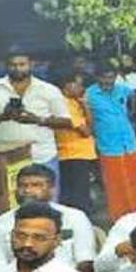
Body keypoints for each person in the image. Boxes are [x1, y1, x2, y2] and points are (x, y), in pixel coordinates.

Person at [0, 50, 73, 190]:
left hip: (42, 155)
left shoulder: (49, 90)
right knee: (10, 201)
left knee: (46, 200)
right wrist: (3, 116)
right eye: (12, 65)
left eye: (22, 64)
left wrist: (37, 120)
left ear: (31, 64)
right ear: (6, 66)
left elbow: (67, 122)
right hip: (7, 158)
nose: (17, 68)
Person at [0, 164, 96, 272]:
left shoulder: (75, 217)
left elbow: (85, 262)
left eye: (36, 185)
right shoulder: (0, 223)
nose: (28, 190)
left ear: (52, 189)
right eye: (22, 185)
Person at [85, 65, 136, 219]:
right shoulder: (89, 94)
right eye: (104, 77)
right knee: (115, 184)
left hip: (129, 143)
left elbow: (134, 99)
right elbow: (87, 119)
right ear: (97, 77)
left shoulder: (122, 89)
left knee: (134, 181)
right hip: (108, 145)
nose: (108, 81)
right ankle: (119, 217)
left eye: (111, 77)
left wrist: (131, 114)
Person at [53, 72, 97, 215]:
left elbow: (92, 126)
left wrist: (85, 105)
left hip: (82, 154)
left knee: (83, 193)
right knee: (78, 197)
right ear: (67, 85)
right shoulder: (63, 104)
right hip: (71, 155)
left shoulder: (75, 101)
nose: (82, 88)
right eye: (78, 85)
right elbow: (86, 131)